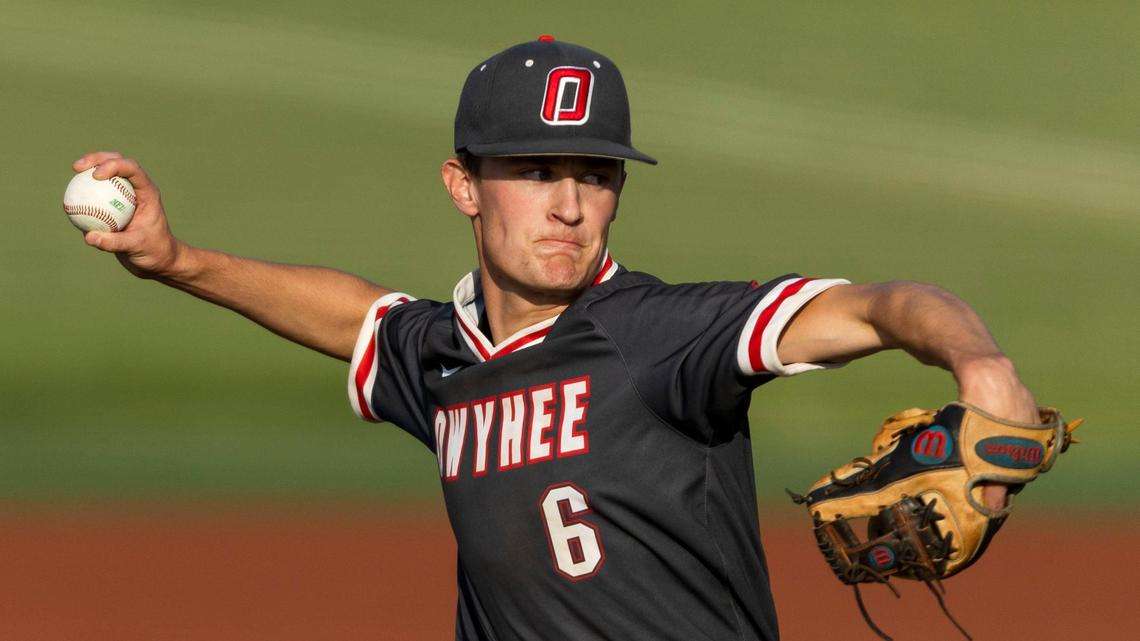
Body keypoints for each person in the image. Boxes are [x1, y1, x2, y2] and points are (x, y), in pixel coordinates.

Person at [75, 37, 1039, 641]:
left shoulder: (663, 335)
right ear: (464, 186)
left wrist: (978, 360)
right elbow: (355, 315)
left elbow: (879, 304)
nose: (571, 205)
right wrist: (176, 261)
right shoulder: (443, 359)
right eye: (537, 170)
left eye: (596, 172)